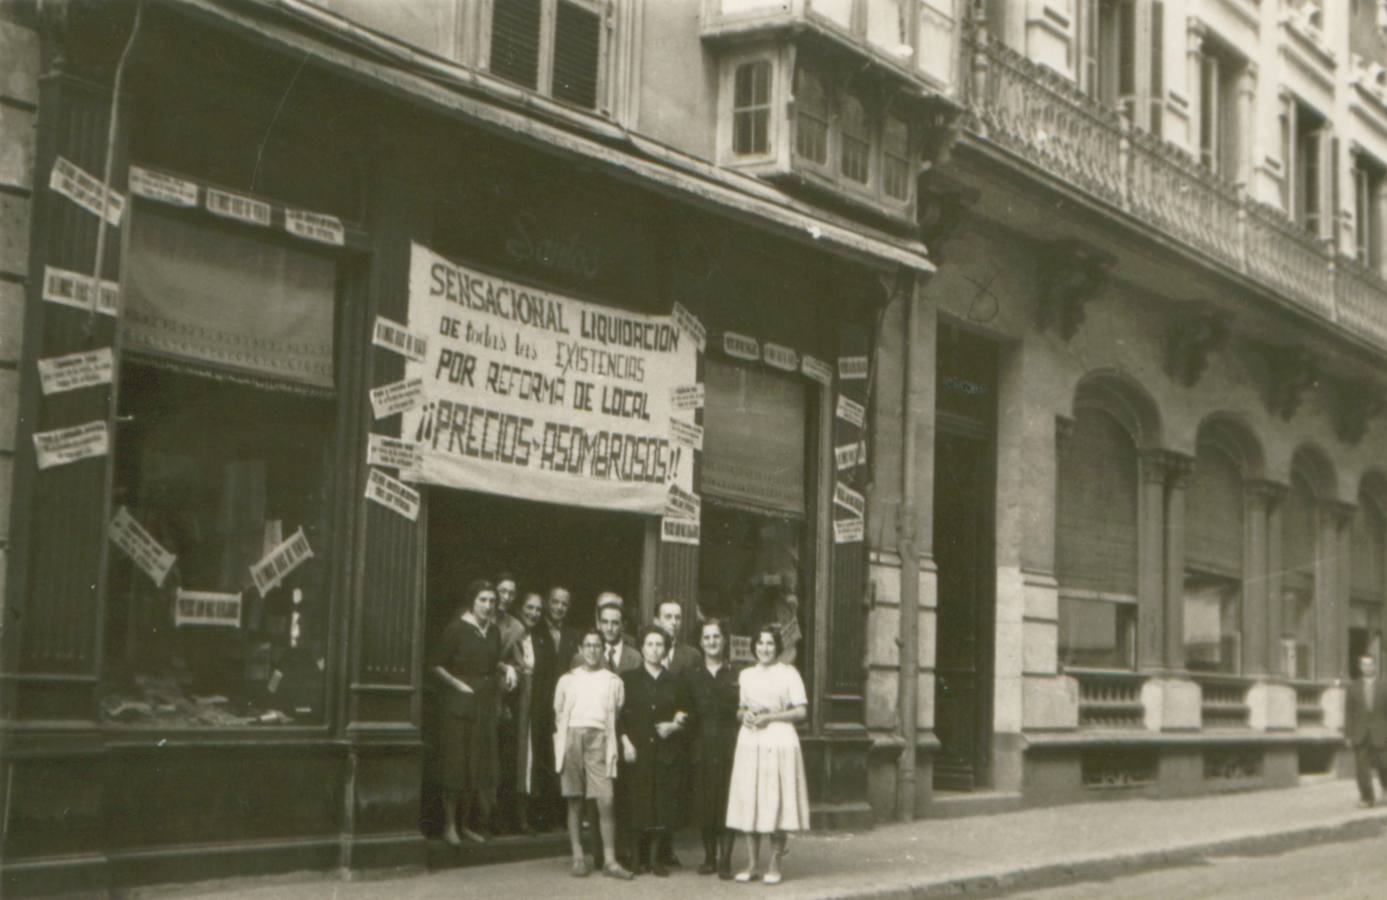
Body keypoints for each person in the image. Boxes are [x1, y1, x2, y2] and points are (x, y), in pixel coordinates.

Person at [429, 579, 517, 847]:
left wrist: (507, 668)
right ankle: (449, 826)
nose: (489, 606)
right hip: (458, 706)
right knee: (456, 766)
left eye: (492, 601)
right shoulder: (457, 629)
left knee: (476, 768)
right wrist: (459, 685)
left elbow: (490, 662)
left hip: (484, 706)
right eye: (483, 600)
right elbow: (435, 665)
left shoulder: (493, 632)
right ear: (472, 602)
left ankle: (466, 825)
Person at [725, 624, 810, 884]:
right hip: (751, 740)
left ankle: (774, 862)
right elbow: (740, 709)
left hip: (779, 740)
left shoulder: (788, 673)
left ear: (777, 647)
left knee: (775, 800)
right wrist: (746, 715)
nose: (764, 648)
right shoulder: (746, 675)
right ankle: (751, 864)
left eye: (770, 644)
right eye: (760, 643)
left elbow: (801, 712)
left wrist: (769, 717)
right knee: (750, 799)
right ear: (754, 647)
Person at [553, 630, 635, 880]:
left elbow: (616, 712)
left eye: (597, 645)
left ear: (602, 649)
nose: (592, 650)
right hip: (572, 739)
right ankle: (578, 857)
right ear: (581, 648)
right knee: (575, 801)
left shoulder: (613, 681)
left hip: (600, 740)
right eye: (587, 645)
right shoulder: (568, 680)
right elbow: (558, 711)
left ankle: (610, 860)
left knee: (605, 801)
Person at [619, 626, 693, 877]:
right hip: (637, 750)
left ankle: (654, 860)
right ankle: (636, 859)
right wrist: (625, 742)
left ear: (666, 649)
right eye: (649, 644)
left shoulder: (675, 681)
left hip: (665, 751)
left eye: (659, 645)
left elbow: (688, 713)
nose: (654, 649)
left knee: (661, 804)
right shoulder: (628, 678)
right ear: (642, 648)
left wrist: (674, 726)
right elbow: (617, 715)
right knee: (637, 802)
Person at [684, 618, 740, 879]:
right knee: (706, 802)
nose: (712, 642)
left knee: (728, 802)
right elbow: (686, 710)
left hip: (730, 744)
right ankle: (709, 858)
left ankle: (726, 860)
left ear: (724, 640)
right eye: (707, 637)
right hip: (702, 744)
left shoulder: (737, 674)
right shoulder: (692, 675)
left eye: (716, 637)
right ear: (700, 642)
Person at [532, 585, 581, 829]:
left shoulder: (574, 636)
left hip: (565, 708)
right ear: (546, 603)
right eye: (555, 602)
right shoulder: (535, 631)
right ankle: (539, 815)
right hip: (539, 704)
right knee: (539, 757)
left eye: (564, 603)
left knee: (561, 759)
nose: (560, 607)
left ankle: (558, 815)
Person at [506, 591, 545, 834]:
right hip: (513, 704)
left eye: (538, 609)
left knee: (528, 759)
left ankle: (524, 817)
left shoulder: (539, 638)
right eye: (529, 607)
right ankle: (503, 818)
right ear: (521, 608)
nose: (533, 613)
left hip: (533, 704)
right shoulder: (511, 633)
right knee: (512, 757)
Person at [493, 572, 527, 833]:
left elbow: (520, 662)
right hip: (474, 693)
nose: (505, 597)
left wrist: (512, 667)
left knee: (499, 760)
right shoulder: (473, 615)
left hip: (499, 700)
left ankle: (493, 819)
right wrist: (503, 665)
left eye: (510, 593)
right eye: (501, 591)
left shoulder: (515, 626)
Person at [1347, 654, 1387, 808]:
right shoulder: (1353, 687)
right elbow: (1348, 713)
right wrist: (1348, 735)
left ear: (1375, 667)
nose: (1367, 667)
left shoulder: (1384, 686)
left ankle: (1386, 790)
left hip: (1381, 732)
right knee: (1362, 769)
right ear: (1360, 667)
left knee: (1384, 765)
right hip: (1360, 733)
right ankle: (1367, 798)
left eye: (1370, 664)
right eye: (1364, 664)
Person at [655, 599, 701, 674]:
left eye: (678, 617)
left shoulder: (692, 656)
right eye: (668, 617)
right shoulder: (644, 653)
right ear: (656, 621)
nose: (674, 622)